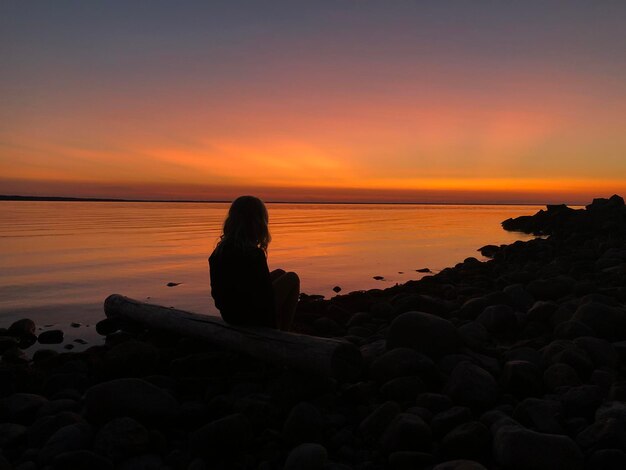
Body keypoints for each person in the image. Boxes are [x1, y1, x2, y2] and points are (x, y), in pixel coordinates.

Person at [209, 195, 299, 331]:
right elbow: (265, 295)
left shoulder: (219, 251)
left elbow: (219, 292)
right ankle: (283, 332)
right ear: (258, 222)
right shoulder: (253, 254)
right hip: (249, 317)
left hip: (229, 314)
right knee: (292, 278)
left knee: (280, 273)